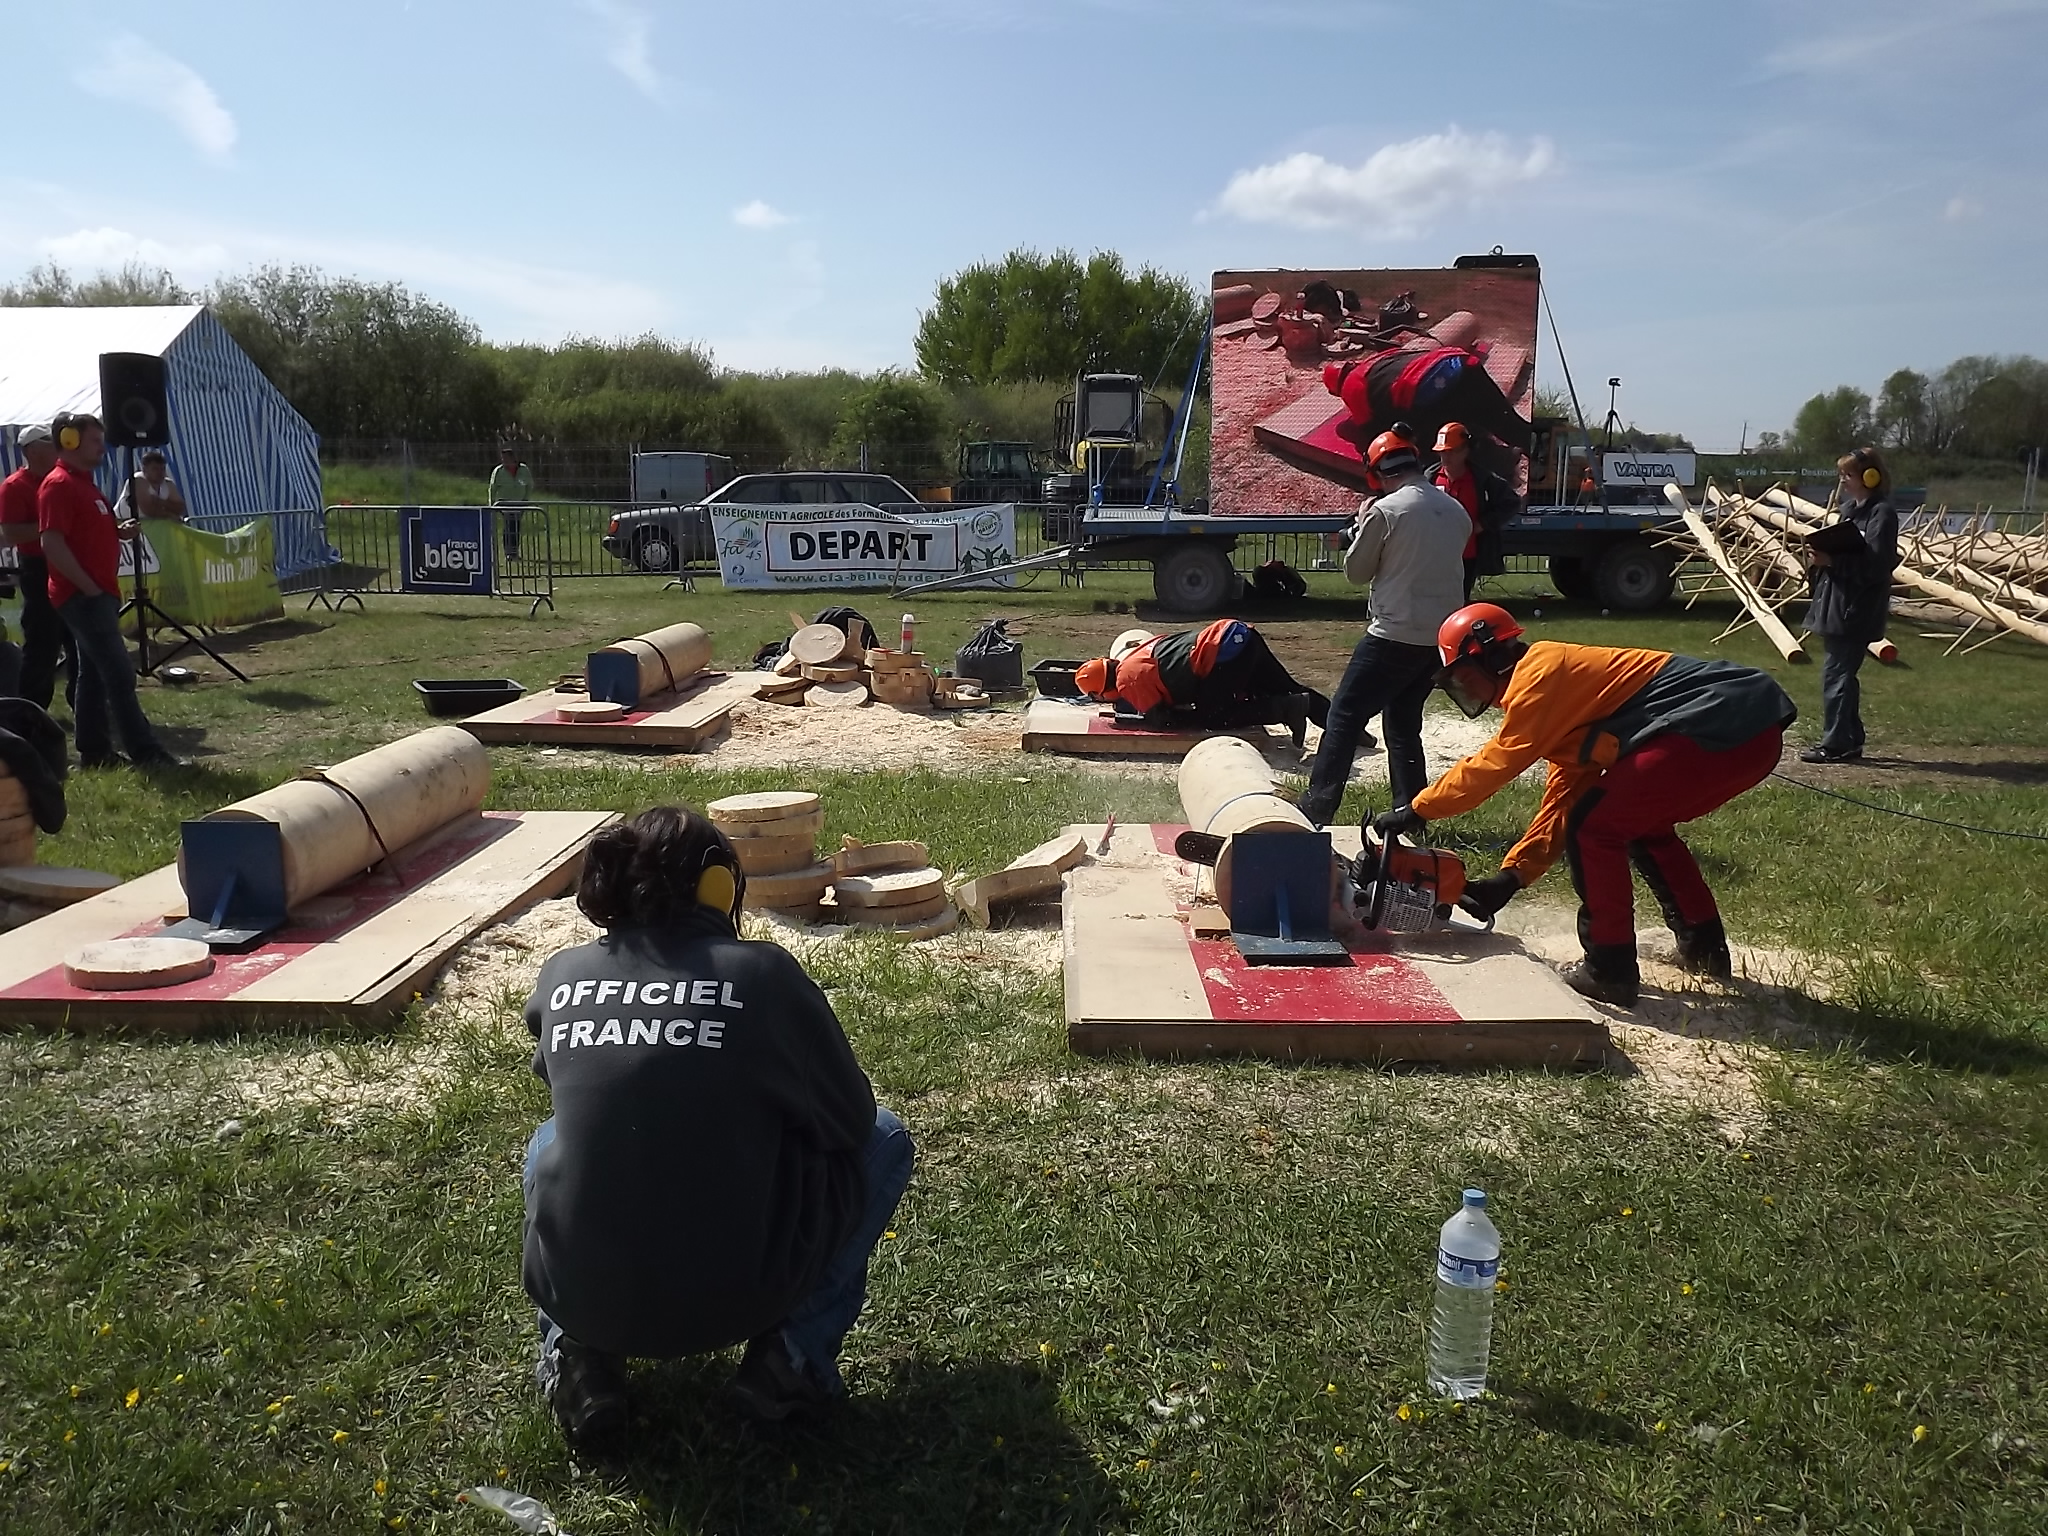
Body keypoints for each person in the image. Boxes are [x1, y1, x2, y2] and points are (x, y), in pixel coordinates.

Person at [521, 806, 914, 1446]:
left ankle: (577, 1359)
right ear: (716, 887)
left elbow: (580, 1087)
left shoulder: (560, 975)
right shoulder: (762, 974)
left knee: (549, 1140)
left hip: (588, 1298)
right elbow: (851, 1121)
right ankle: (791, 1360)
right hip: (742, 1295)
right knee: (886, 1139)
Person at [1372, 603, 1796, 1007]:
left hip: (1720, 720)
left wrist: (1417, 809)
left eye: (1466, 677)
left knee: (1596, 828)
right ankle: (1703, 946)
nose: (1467, 690)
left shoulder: (1539, 674)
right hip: (1747, 730)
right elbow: (1563, 797)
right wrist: (1512, 877)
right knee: (1636, 827)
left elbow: (1495, 764)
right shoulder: (1564, 699)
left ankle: (1609, 970)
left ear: (1493, 656)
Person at [1298, 430, 1471, 826]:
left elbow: (1357, 572)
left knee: (1344, 715)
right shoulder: (1455, 510)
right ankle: (1411, 810)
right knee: (1404, 724)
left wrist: (1362, 527)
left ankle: (1317, 806)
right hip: (1440, 639)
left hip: (1395, 633)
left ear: (1377, 473)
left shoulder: (1385, 511)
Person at [36, 413, 179, 770]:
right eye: (95, 441)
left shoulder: (84, 484)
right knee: (118, 672)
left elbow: (82, 531)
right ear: (69, 441)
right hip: (84, 596)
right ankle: (146, 752)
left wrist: (117, 532)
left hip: (95, 593)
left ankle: (95, 752)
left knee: (93, 675)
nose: (103, 448)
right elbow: (51, 543)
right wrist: (87, 587)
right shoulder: (59, 485)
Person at [1073, 617, 1329, 750]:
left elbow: (1163, 720)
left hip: (1223, 654)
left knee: (1214, 717)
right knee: (1286, 687)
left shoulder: (1126, 681)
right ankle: (1341, 729)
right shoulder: (1135, 655)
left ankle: (1286, 708)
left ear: (1102, 691)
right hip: (1237, 635)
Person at [1800, 446, 1899, 763]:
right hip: (1837, 602)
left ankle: (1837, 744)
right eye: (1841, 474)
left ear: (1870, 477)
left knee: (1837, 676)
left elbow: (1876, 566)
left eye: (1849, 474)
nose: (1842, 480)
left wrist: (1833, 561)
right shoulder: (1849, 511)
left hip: (1856, 607)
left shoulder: (1881, 514)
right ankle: (1850, 739)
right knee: (1840, 675)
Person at [0, 425, 76, 709]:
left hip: (68, 563)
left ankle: (83, 704)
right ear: (32, 450)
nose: (57, 448)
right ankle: (31, 710)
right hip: (39, 567)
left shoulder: (63, 479)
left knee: (79, 639)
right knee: (43, 643)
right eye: (48, 443)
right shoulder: (14, 486)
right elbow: (12, 534)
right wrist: (52, 527)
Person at [1430, 421, 1520, 600]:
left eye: (1451, 451)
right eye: (1442, 452)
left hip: (1466, 557)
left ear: (1465, 450)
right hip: (1434, 556)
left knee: (1459, 602)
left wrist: (1484, 524)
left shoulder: (1482, 479)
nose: (1445, 457)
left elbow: (1511, 503)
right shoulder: (1429, 478)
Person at [490, 444, 535, 561]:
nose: (504, 461)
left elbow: (529, 485)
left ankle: (514, 551)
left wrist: (525, 500)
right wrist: (492, 504)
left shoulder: (523, 470)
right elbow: (492, 488)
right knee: (509, 526)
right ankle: (509, 552)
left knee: (516, 527)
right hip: (504, 503)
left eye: (506, 458)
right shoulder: (498, 471)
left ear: (512, 458)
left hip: (519, 503)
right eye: (502, 458)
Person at [115, 451, 188, 521]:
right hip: (123, 523)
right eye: (155, 469)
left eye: (162, 469)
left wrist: (161, 502)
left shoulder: (168, 483)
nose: (160, 473)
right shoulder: (138, 480)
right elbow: (148, 510)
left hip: (150, 523)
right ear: (144, 470)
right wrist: (169, 514)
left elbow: (180, 508)